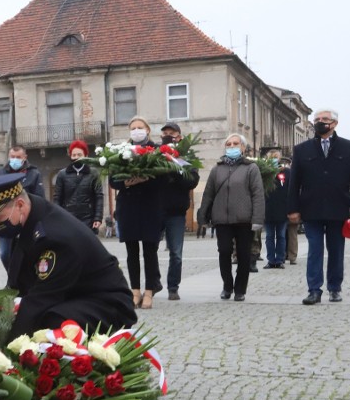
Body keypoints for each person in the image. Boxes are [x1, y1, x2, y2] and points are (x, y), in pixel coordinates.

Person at [0, 173, 136, 338]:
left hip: (107, 304)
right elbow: (18, 285)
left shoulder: (55, 237)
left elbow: (41, 300)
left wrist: (6, 346)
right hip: (74, 294)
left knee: (49, 321)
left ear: (19, 205)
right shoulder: (29, 219)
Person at [287, 109, 350, 305]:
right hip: (311, 208)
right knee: (314, 249)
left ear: (335, 123)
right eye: (317, 120)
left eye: (324, 119)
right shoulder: (302, 150)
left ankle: (335, 288)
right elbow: (294, 182)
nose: (320, 122)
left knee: (336, 250)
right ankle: (314, 289)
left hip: (338, 209)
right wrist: (293, 209)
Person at [197, 134, 265, 301]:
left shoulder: (251, 168)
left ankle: (240, 289)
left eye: (236, 144)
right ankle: (227, 286)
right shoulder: (216, 169)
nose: (232, 146)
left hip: (244, 219)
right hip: (222, 218)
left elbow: (258, 195)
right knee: (224, 251)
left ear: (243, 147)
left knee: (243, 254)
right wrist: (203, 217)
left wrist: (257, 219)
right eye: (229, 144)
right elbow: (208, 194)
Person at [108, 116, 164, 310]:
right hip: (128, 207)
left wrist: (144, 178)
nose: (137, 131)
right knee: (132, 252)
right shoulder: (121, 151)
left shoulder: (157, 151)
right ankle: (135, 291)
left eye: (140, 127)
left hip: (150, 206)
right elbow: (113, 180)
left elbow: (164, 177)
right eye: (133, 128)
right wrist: (128, 181)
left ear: (148, 130)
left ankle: (149, 291)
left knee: (150, 251)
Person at [159, 122, 200, 300]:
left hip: (176, 211)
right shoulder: (155, 155)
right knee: (150, 250)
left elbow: (191, 181)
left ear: (179, 137)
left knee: (176, 252)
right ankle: (153, 284)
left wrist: (175, 167)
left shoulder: (186, 157)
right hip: (156, 209)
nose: (169, 136)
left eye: (172, 133)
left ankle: (173, 287)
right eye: (165, 133)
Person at [0, 145, 44, 270]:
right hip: (6, 220)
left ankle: (21, 281)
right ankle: (11, 278)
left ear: (25, 157)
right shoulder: (0, 173)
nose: (15, 160)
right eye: (12, 157)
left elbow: (39, 197)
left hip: (25, 220)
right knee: (4, 254)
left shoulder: (34, 173)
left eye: (18, 157)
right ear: (8, 157)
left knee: (26, 254)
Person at [53, 140, 103, 235]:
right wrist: (57, 217)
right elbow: (57, 197)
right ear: (70, 156)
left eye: (79, 155)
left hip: (88, 217)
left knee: (88, 247)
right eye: (74, 155)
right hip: (68, 217)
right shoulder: (62, 174)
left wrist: (98, 217)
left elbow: (99, 196)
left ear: (86, 155)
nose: (76, 157)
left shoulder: (94, 173)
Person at [262, 150, 290, 269]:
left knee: (281, 236)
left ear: (279, 158)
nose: (274, 159)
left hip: (282, 208)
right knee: (269, 236)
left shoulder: (286, 172)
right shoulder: (265, 172)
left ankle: (279, 259)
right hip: (268, 209)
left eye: (276, 157)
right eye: (271, 157)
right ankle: (270, 260)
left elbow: (289, 189)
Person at [281, 156, 299, 265]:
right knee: (289, 233)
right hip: (290, 207)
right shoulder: (294, 174)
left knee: (288, 233)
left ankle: (289, 255)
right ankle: (291, 256)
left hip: (289, 207)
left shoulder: (288, 174)